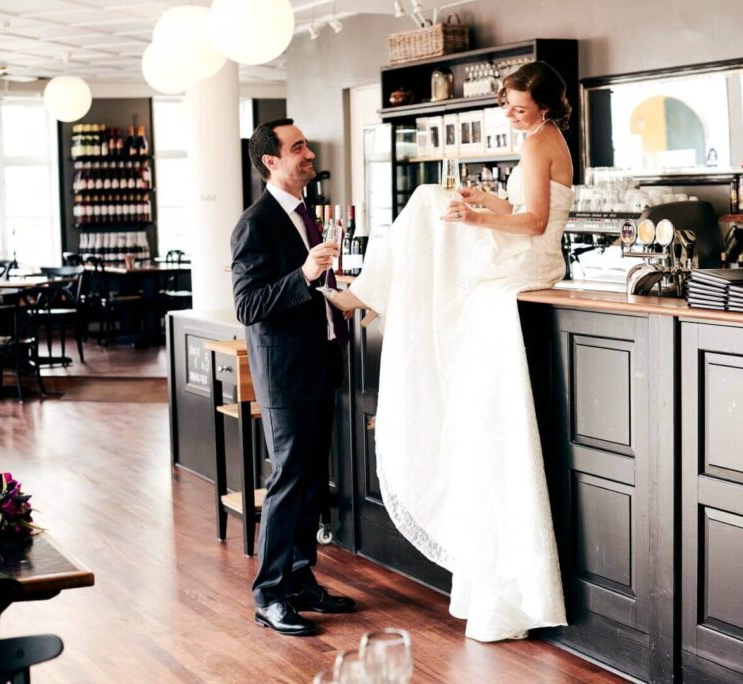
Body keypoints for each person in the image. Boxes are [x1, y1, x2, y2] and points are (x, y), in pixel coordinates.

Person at [325, 61, 572, 641]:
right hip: (532, 260)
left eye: (517, 106)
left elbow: (534, 224)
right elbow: (526, 211)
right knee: (431, 206)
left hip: (528, 263)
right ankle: (368, 293)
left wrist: (478, 214)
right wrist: (487, 201)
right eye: (505, 105)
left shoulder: (540, 142)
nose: (510, 115)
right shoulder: (542, 139)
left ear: (542, 106)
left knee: (428, 207)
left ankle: (363, 294)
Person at [230, 118, 357, 637]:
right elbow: (248, 305)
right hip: (284, 373)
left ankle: (302, 580)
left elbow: (307, 291)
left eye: (306, 144)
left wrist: (336, 302)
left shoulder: (306, 213)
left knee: (309, 480)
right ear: (271, 162)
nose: (309, 154)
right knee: (287, 479)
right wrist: (304, 275)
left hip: (321, 360)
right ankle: (270, 594)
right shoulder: (255, 223)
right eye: (297, 147)